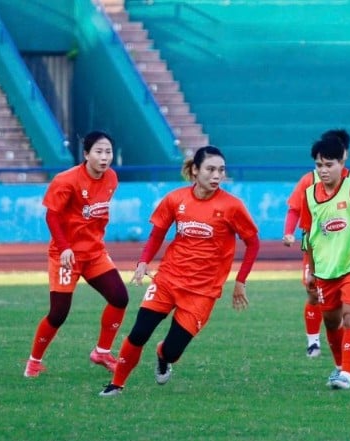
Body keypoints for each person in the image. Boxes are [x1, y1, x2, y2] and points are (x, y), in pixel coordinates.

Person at [100, 145, 260, 396]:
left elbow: (253, 242)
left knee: (173, 351)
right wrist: (143, 262)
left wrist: (241, 281)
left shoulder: (232, 206)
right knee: (139, 332)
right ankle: (116, 384)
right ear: (195, 170)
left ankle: (162, 355)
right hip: (167, 280)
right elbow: (157, 234)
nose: (217, 175)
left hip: (202, 292)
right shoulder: (175, 199)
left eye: (221, 170)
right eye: (210, 169)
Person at [24, 130, 130, 378]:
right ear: (86, 154)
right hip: (66, 256)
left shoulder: (111, 178)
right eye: (99, 152)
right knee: (58, 313)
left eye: (108, 152)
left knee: (119, 297)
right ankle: (34, 362)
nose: (104, 157)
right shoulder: (66, 180)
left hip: (94, 253)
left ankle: (102, 352)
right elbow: (52, 216)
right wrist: (64, 247)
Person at [282, 129, 350, 358]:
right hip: (318, 251)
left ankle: (345, 364)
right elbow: (295, 209)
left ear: (344, 155)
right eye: (320, 163)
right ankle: (313, 342)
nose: (324, 168)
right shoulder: (309, 181)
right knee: (314, 296)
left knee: (349, 314)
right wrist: (289, 232)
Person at [299, 135, 350, 390]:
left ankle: (346, 373)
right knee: (331, 322)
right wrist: (311, 271)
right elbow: (309, 237)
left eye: (329, 164)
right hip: (325, 271)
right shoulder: (309, 196)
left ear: (341, 164)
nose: (323, 170)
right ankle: (339, 366)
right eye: (319, 165)